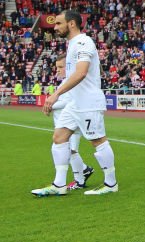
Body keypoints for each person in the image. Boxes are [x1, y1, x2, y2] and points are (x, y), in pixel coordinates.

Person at [32, 11, 118, 197]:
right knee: (59, 137)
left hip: (87, 102)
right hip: (74, 103)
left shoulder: (83, 42)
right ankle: (59, 185)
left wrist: (56, 95)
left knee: (97, 140)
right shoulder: (72, 45)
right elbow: (71, 76)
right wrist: (56, 95)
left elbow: (81, 73)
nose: (55, 28)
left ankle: (111, 184)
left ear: (71, 24)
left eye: (58, 23)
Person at [35, 56, 94, 192]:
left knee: (68, 149)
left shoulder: (73, 82)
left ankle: (77, 180)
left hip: (71, 122)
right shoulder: (66, 82)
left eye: (61, 67)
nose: (58, 70)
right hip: (65, 123)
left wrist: (50, 105)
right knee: (70, 150)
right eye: (57, 67)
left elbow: (70, 101)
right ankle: (83, 171)